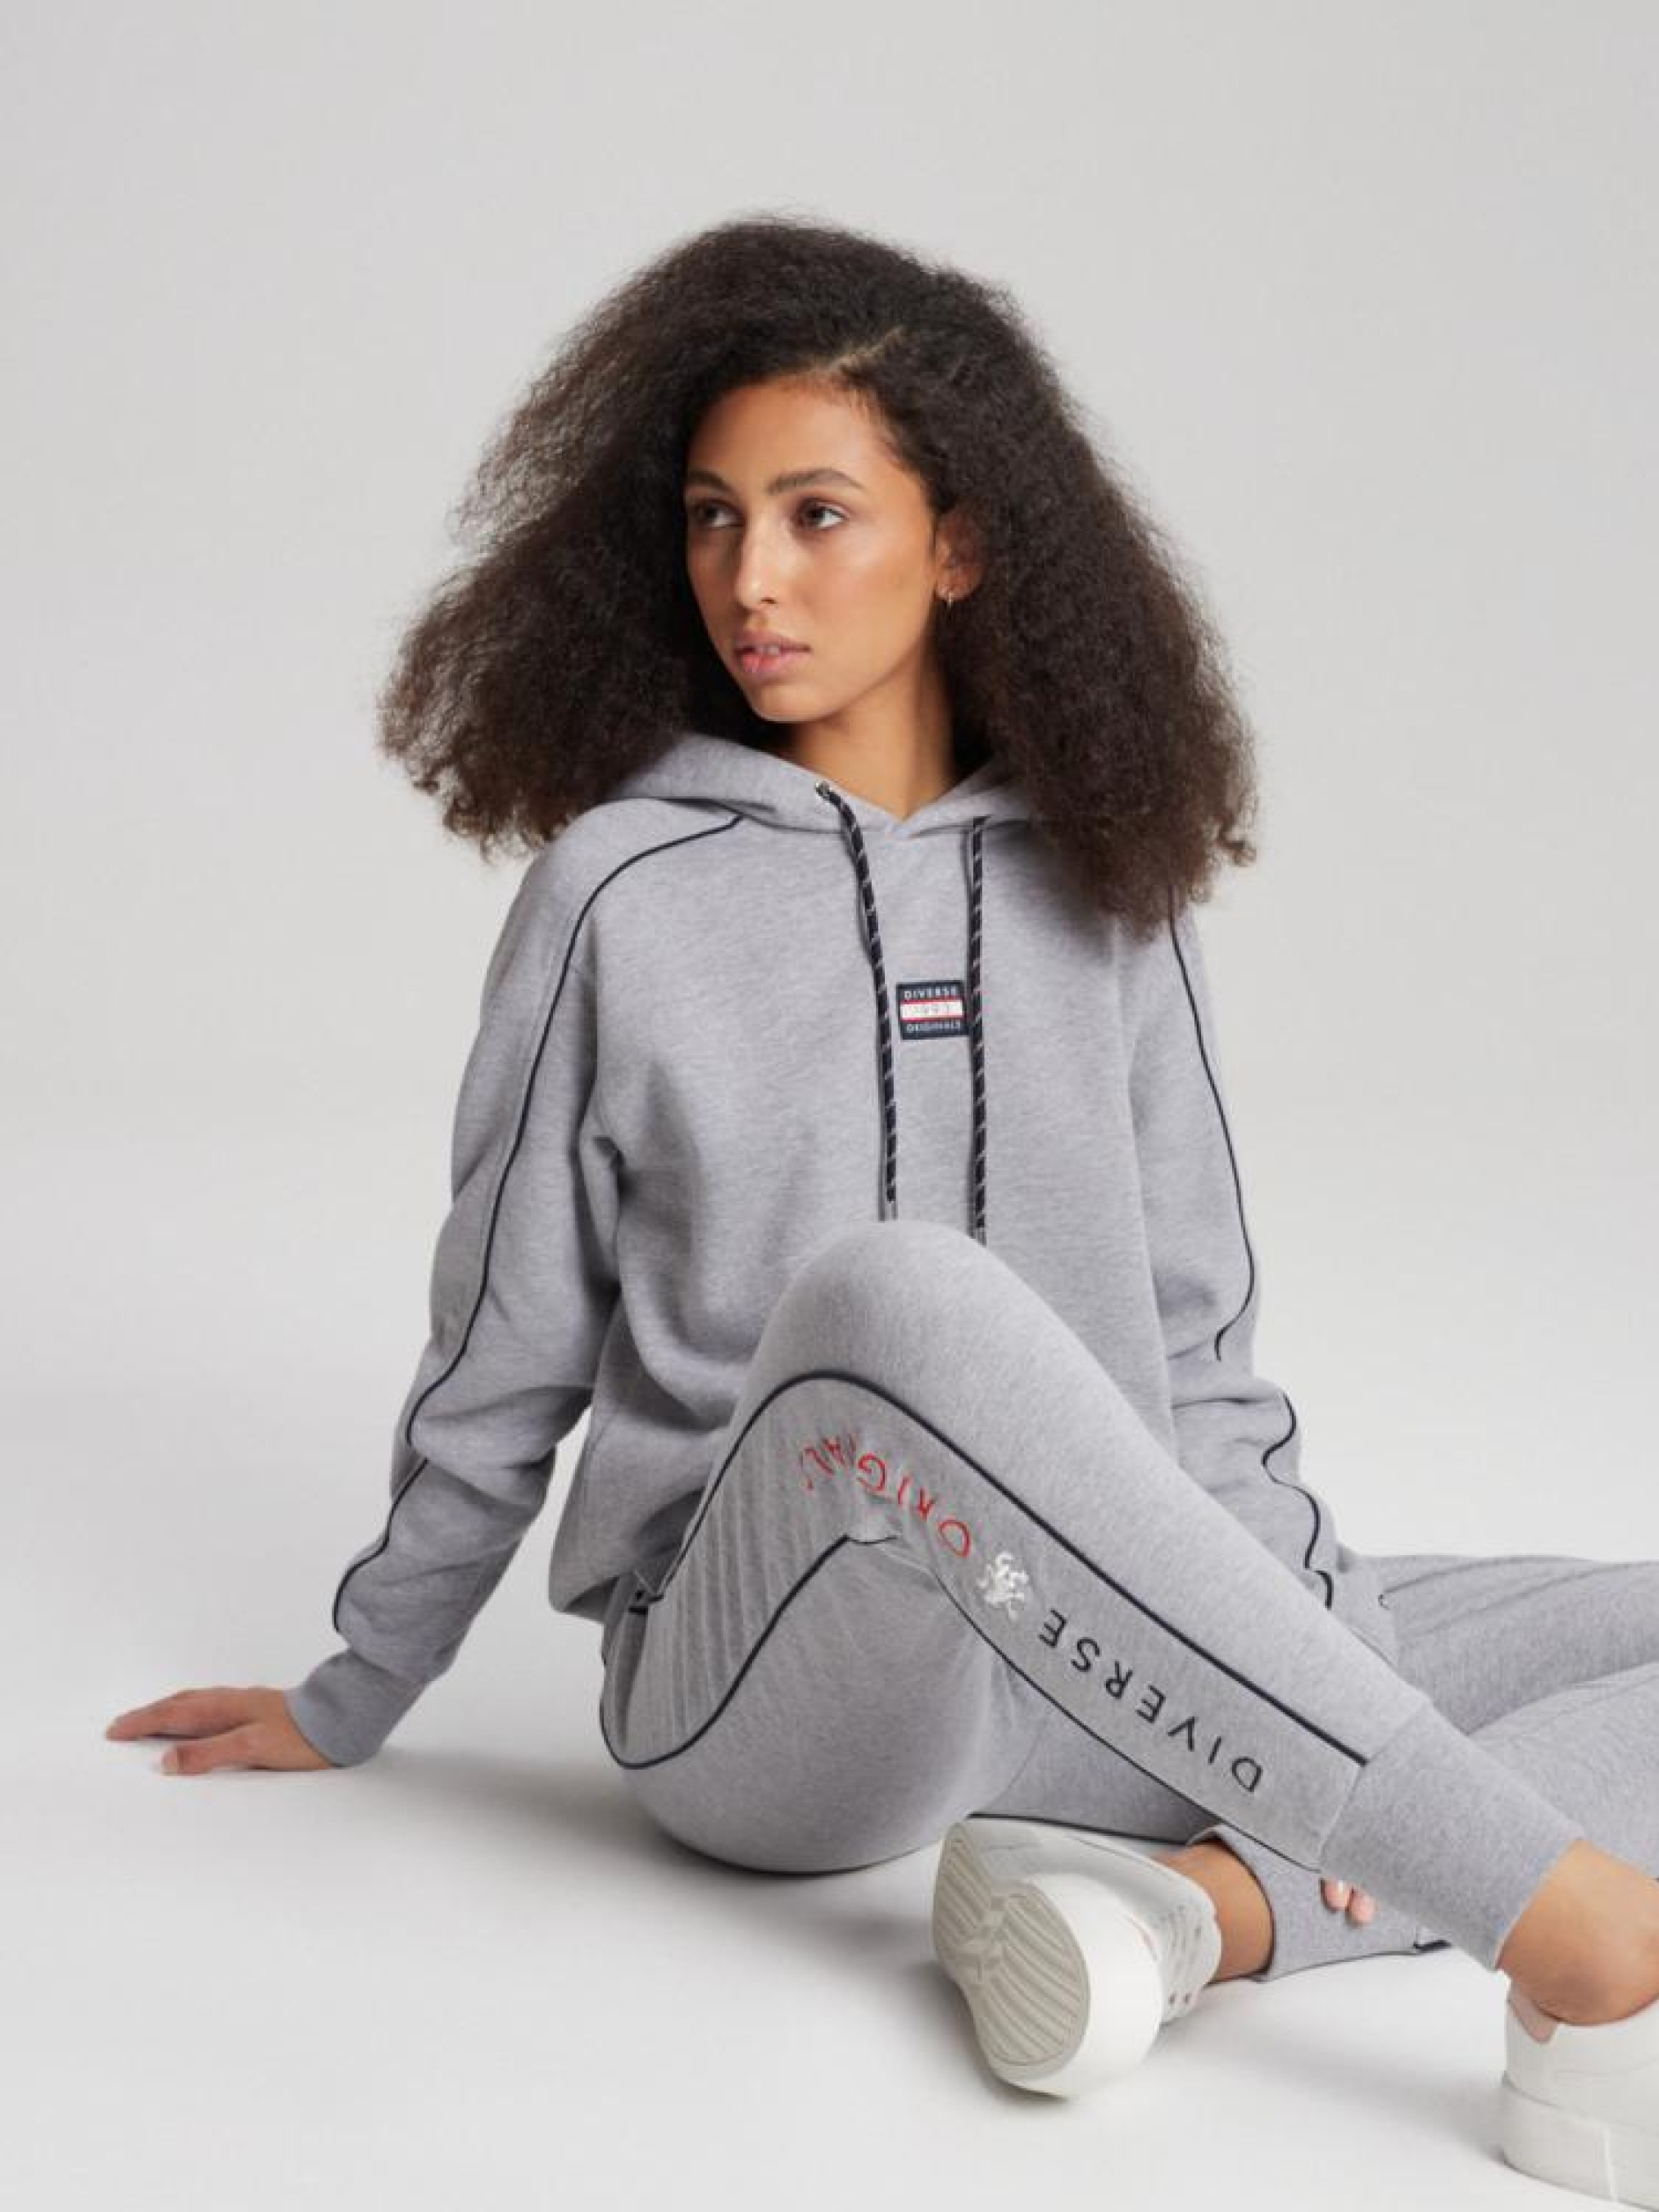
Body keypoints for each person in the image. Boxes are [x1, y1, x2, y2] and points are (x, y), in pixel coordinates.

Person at [106, 215, 1659, 2198]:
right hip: (773, 1696)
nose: (747, 579)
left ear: (959, 546)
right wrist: (356, 1687)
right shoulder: (617, 894)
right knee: (899, 1303)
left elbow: (1196, 1359)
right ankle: (1580, 1945)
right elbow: (502, 1345)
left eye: (814, 514)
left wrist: (1319, 1682)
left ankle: (1189, 1919)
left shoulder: (1107, 884)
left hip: (1085, 1679)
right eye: (711, 518)